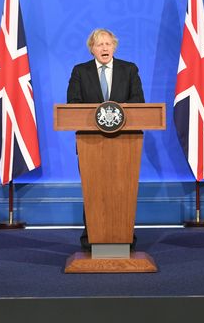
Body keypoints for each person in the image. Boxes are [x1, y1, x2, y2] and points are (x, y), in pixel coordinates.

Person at [66, 28, 144, 250]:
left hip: (125, 144)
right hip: (90, 144)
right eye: (99, 44)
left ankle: (125, 237)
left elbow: (138, 101)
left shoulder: (129, 69)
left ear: (114, 47)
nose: (104, 48)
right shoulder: (80, 72)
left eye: (108, 44)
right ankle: (91, 238)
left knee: (123, 190)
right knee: (94, 191)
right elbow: (73, 104)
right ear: (92, 48)